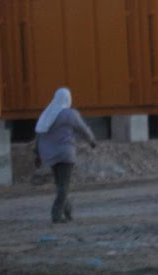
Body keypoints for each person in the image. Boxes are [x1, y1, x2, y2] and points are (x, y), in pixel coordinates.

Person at [34, 87, 97, 223]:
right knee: (64, 186)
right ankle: (56, 215)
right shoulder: (69, 114)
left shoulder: (47, 114)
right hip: (65, 154)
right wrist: (92, 141)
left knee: (60, 184)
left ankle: (68, 212)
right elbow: (82, 129)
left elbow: (39, 135)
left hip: (49, 155)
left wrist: (37, 154)